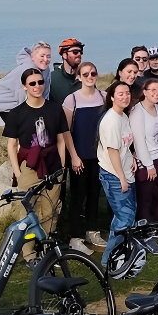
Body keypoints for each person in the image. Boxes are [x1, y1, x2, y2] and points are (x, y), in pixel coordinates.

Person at [2, 66, 86, 252]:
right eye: (32, 83)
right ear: (24, 86)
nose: (37, 86)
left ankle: (47, 251)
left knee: (51, 210)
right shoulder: (16, 113)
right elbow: (12, 145)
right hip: (29, 165)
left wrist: (62, 167)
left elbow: (61, 139)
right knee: (27, 210)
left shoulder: (55, 109)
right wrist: (17, 172)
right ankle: (29, 253)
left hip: (53, 164)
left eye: (40, 82)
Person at [62, 61, 107, 247]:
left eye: (93, 73)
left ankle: (92, 231)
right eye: (86, 74)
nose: (90, 77)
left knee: (94, 194)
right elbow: (66, 131)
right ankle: (75, 236)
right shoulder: (71, 100)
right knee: (78, 195)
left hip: (99, 157)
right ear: (79, 77)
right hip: (79, 157)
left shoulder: (104, 97)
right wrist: (73, 156)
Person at [97, 81, 137, 267]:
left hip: (125, 171)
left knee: (124, 217)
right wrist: (121, 177)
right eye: (120, 94)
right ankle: (108, 260)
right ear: (112, 97)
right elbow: (112, 151)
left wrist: (132, 158)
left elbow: (124, 146)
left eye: (127, 93)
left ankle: (118, 254)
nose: (125, 97)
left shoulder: (123, 116)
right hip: (114, 175)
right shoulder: (111, 120)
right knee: (124, 218)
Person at [129, 78, 158, 223]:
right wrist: (149, 165)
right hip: (147, 161)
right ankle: (145, 227)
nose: (157, 93)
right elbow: (139, 141)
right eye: (153, 90)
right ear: (145, 92)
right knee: (146, 199)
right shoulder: (137, 111)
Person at [0, 41, 53, 125]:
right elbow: (23, 99)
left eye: (48, 56)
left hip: (15, 106)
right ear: (32, 56)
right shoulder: (26, 70)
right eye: (42, 56)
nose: (45, 59)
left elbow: (45, 95)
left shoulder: (46, 70)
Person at [48, 38, 84, 109]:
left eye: (81, 52)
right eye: (75, 52)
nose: (79, 55)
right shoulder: (52, 78)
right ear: (64, 55)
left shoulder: (86, 77)